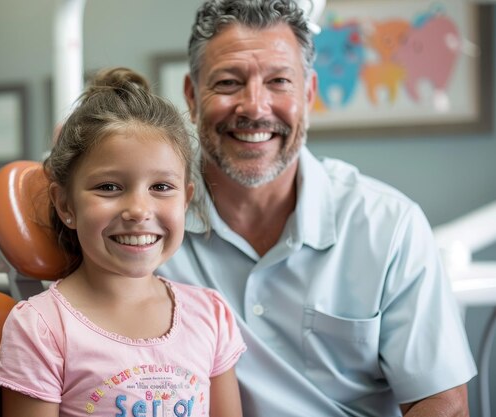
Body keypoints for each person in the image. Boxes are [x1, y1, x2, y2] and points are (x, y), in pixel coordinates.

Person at [157, 0, 477, 416]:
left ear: (308, 93)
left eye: (278, 81)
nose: (254, 107)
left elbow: (443, 404)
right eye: (229, 82)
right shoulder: (150, 224)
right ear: (192, 96)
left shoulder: (388, 226)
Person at [0, 67, 246, 417]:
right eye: (109, 187)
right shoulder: (42, 329)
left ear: (185, 201)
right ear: (66, 205)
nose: (139, 210)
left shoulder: (211, 316)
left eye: (161, 187)